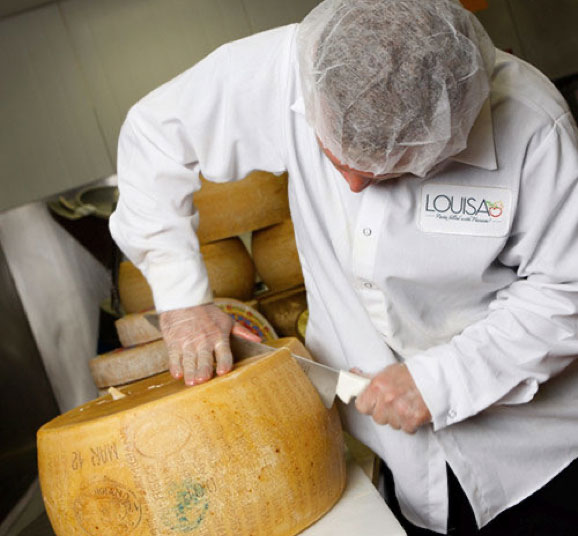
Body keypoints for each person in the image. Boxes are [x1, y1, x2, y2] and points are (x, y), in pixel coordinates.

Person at [109, 0, 578, 533]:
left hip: (538, 457)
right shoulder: (295, 64)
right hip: (401, 462)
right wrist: (184, 301)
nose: (353, 185)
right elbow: (154, 135)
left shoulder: (534, 125)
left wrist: (444, 380)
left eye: (391, 171)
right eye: (334, 155)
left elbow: (567, 291)